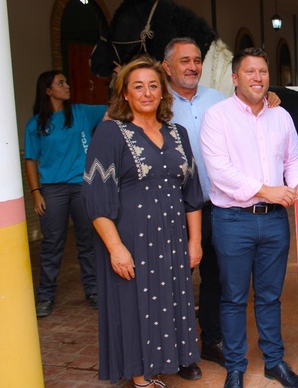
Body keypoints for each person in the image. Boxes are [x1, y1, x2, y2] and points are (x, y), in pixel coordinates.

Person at [82, 56, 203, 387]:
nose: (147, 92)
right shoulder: (110, 133)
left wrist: (195, 242)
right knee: (134, 305)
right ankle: (140, 377)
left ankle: (161, 363)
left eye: (153, 85)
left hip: (173, 237)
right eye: (138, 86)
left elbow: (192, 192)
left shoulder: (177, 133)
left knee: (169, 299)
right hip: (131, 239)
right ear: (124, 94)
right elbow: (96, 198)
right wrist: (115, 247)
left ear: (162, 92)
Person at [200, 47, 298, 388]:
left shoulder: (281, 116)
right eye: (250, 72)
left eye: (262, 72)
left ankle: (274, 362)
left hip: (276, 220)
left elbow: (293, 158)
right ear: (235, 77)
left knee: (270, 296)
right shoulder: (217, 117)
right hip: (233, 221)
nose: (258, 78)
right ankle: (235, 366)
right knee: (232, 296)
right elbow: (220, 172)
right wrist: (267, 190)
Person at [162, 37, 224, 380]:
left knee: (215, 277)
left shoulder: (218, 99)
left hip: (213, 205)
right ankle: (179, 351)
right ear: (167, 66)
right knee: (176, 281)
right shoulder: (157, 103)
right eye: (184, 60)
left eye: (197, 60)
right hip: (173, 210)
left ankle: (211, 340)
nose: (192, 67)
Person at [24, 70, 106, 317]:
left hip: (82, 186)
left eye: (66, 81)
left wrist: (119, 77)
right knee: (52, 243)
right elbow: (30, 160)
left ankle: (92, 290)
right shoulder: (36, 124)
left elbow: (116, 107)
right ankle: (45, 296)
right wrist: (36, 193)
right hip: (52, 190)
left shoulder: (81, 113)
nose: (67, 85)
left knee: (88, 241)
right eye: (61, 83)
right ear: (48, 90)